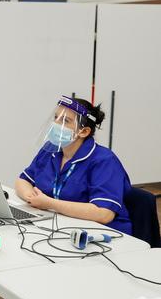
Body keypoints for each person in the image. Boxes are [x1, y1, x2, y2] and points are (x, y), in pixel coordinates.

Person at [16, 96, 132, 234]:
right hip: (58, 226)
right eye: (56, 117)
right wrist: (33, 199)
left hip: (101, 236)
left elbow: (104, 214)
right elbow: (23, 180)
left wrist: (49, 203)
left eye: (65, 121)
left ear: (84, 131)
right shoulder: (51, 148)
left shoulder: (104, 160)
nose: (57, 124)